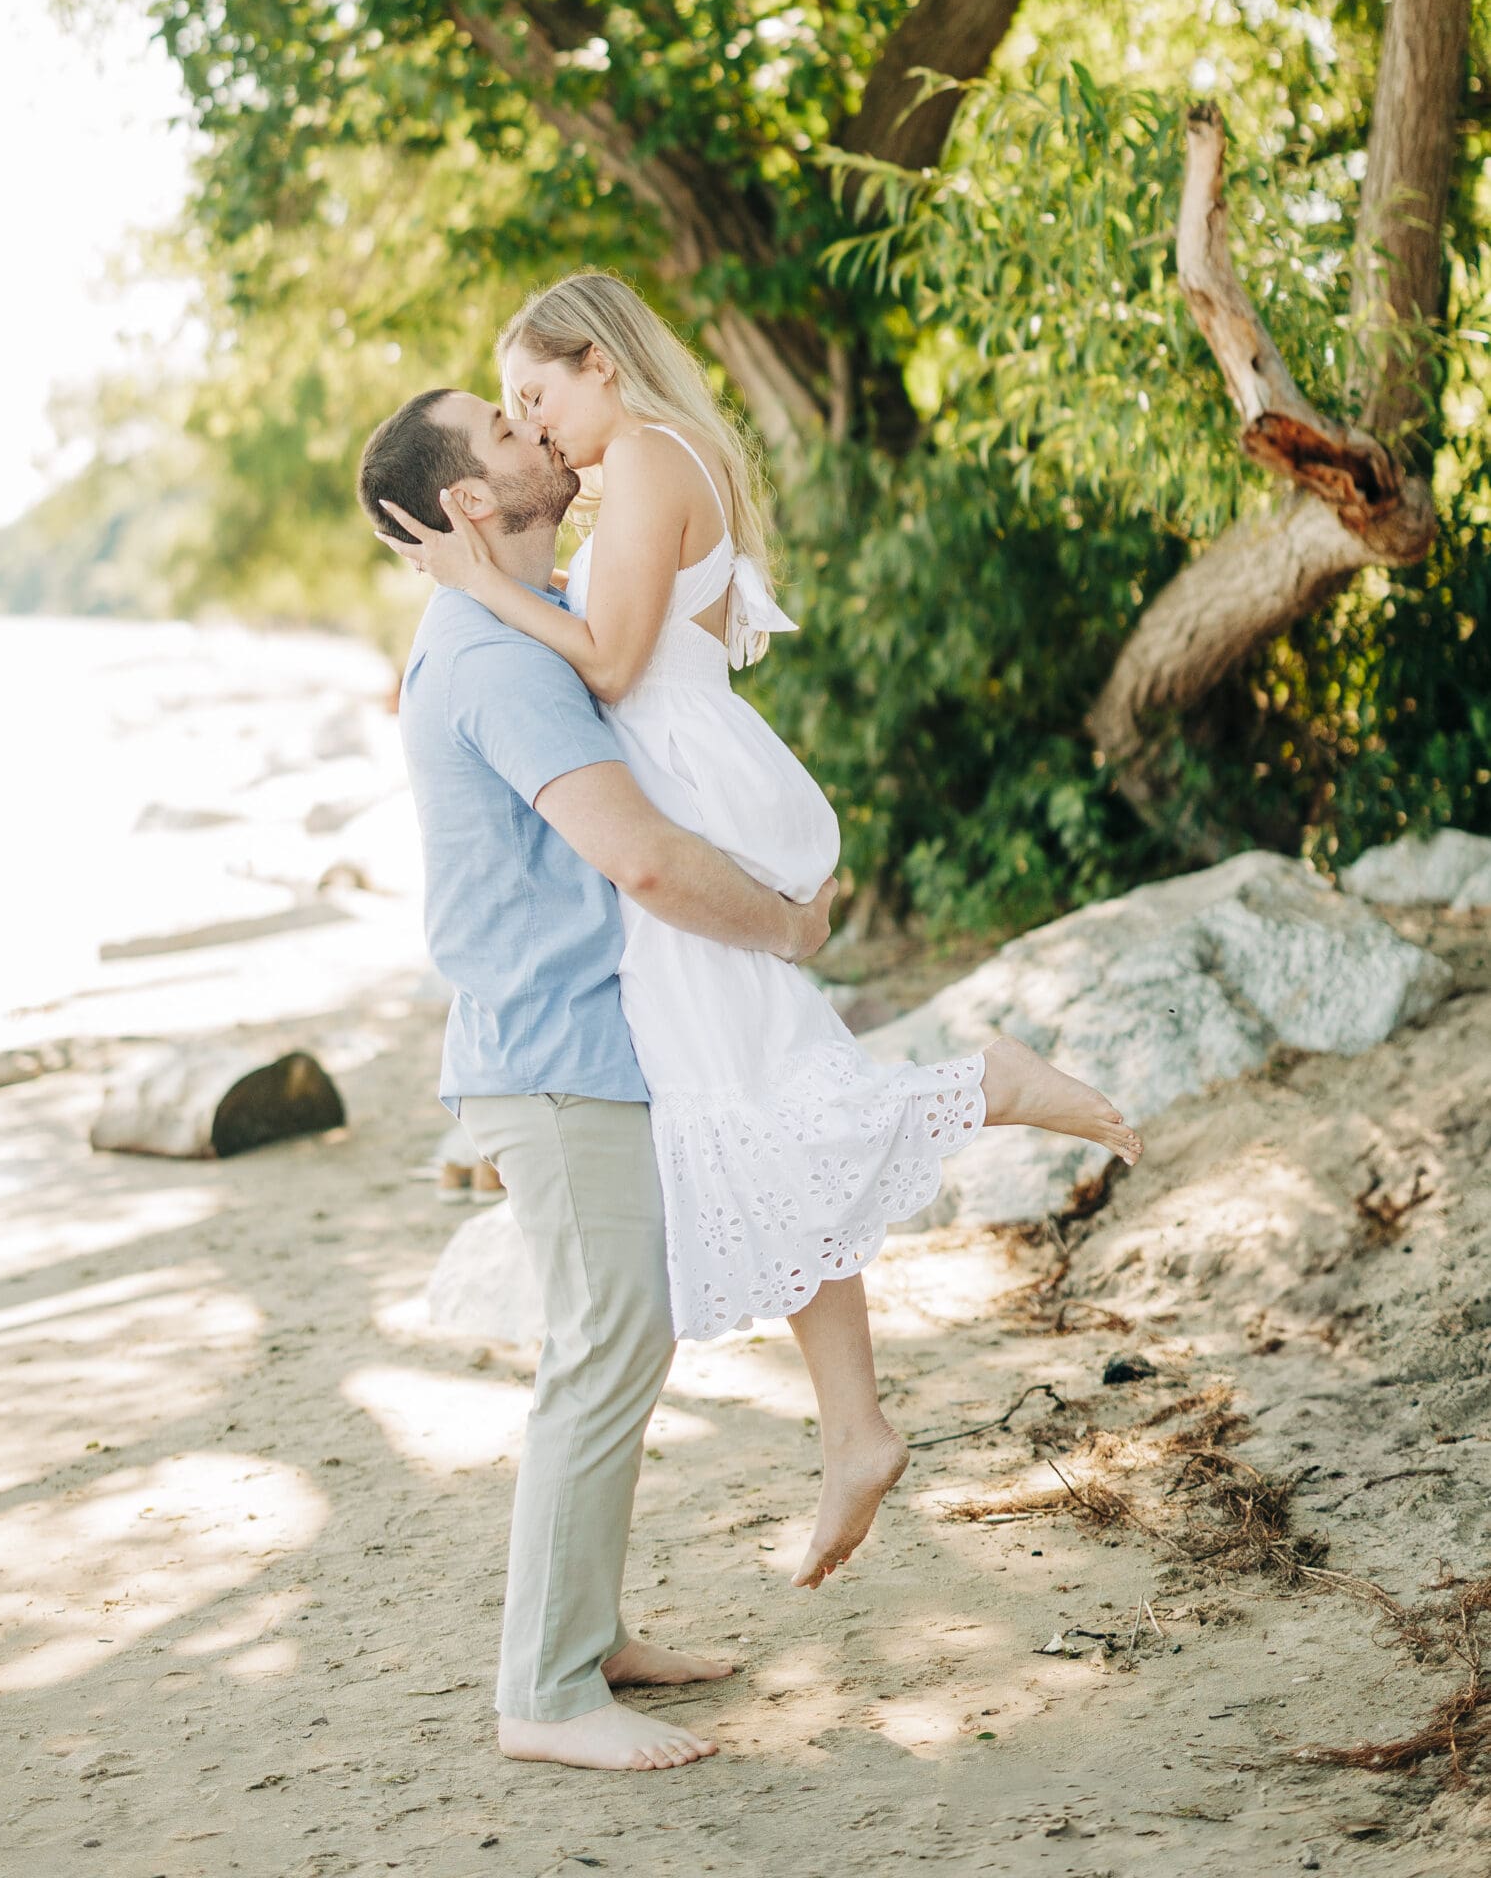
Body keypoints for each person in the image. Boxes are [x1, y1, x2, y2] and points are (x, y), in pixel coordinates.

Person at [377, 272, 1143, 1596]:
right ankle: (856, 1427)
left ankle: (984, 1088)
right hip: (705, 773)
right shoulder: (670, 462)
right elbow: (718, 632)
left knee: (751, 1097)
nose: (533, 423)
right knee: (765, 1095)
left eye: (535, 394)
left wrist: (474, 585)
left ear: (599, 367)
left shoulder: (645, 466)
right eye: (510, 414)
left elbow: (611, 669)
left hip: (678, 800)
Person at [357, 386, 837, 1774]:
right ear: (465, 503)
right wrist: (787, 921)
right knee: (606, 1346)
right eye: (504, 436)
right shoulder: (495, 662)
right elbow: (635, 854)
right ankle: (549, 1692)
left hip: (579, 1047)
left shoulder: (519, 616)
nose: (539, 440)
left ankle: (591, 1633)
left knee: (624, 1337)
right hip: (554, 1058)